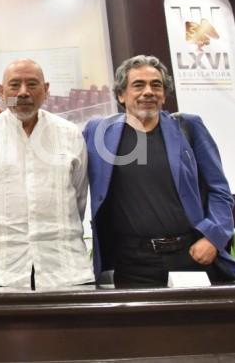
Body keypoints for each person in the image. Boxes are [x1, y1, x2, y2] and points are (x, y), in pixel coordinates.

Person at [83, 55, 235, 287]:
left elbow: (219, 190)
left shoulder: (188, 127)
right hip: (131, 263)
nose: (148, 92)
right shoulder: (98, 133)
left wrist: (213, 238)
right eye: (138, 85)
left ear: (164, 94)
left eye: (156, 85)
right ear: (121, 95)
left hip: (192, 255)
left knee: (199, 323)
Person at [0, 59, 94, 289]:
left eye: (32, 84)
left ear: (46, 90)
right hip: (2, 269)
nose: (23, 93)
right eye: (14, 85)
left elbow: (79, 195)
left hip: (65, 267)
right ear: (1, 92)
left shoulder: (70, 134)